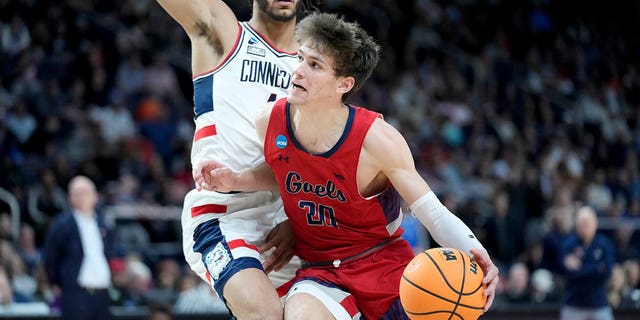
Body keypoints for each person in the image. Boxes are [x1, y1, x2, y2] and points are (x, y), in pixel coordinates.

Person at [196, 12, 499, 319]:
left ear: (344, 84)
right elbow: (282, 172)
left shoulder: (377, 140)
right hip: (321, 273)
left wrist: (478, 253)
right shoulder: (270, 120)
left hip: (383, 265)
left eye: (314, 65)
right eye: (300, 58)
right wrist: (236, 179)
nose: (297, 71)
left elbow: (432, 213)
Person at [154, 1, 306, 318]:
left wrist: (296, 222)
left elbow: (327, 159)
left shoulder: (313, 63)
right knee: (264, 313)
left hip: (291, 221)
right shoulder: (224, 32)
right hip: (224, 213)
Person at [43, 176, 112, 320]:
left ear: (95, 196)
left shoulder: (102, 224)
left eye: (86, 192)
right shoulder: (62, 225)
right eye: (78, 193)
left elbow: (108, 251)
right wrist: (56, 283)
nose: (83, 197)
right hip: (76, 293)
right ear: (70, 198)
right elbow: (50, 257)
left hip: (102, 292)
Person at [560, 206, 615, 320]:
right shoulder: (568, 244)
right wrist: (596, 267)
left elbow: (607, 271)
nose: (585, 227)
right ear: (576, 225)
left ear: (595, 223)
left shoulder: (604, 244)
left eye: (588, 223)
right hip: (573, 303)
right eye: (582, 223)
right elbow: (568, 273)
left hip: (598, 303)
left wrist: (581, 268)